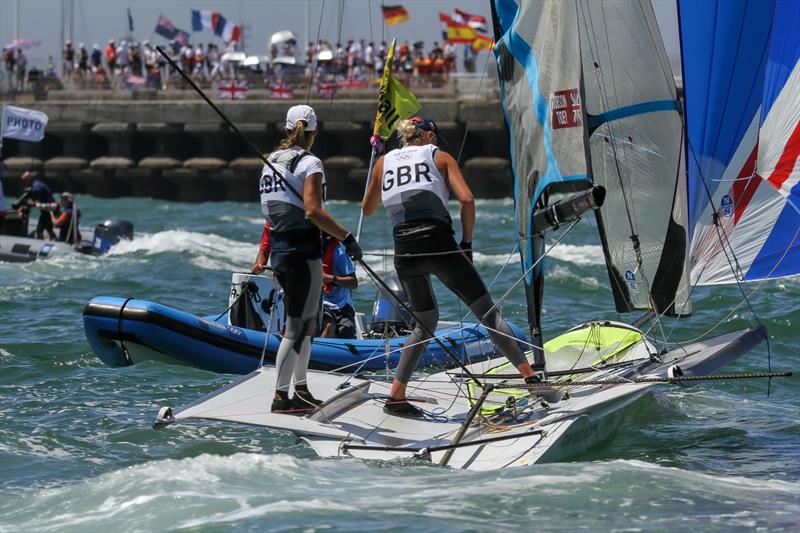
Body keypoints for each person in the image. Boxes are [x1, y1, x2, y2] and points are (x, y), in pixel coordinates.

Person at [362, 117, 539, 417]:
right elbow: (467, 199)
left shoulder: (382, 162)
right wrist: (466, 242)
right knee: (487, 314)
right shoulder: (438, 156)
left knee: (425, 321)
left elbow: (367, 209)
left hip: (404, 253)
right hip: (439, 244)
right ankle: (530, 378)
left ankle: (396, 395)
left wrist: (377, 173)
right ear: (428, 135)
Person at [260, 104, 362, 413]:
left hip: (280, 250)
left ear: (287, 129)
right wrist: (346, 237)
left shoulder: (269, 164)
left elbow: (270, 212)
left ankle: (301, 389)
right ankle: (280, 397)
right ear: (313, 133)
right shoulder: (312, 163)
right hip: (303, 253)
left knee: (306, 324)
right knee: (296, 326)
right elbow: (313, 211)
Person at [320, 233, 358, 339]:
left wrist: (332, 279)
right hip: (319, 303)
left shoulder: (339, 254)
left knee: (348, 334)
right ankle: (314, 354)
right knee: (329, 326)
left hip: (341, 305)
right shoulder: (307, 253)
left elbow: (353, 283)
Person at [14, 170, 57, 240]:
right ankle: (54, 239)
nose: (23, 182)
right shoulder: (35, 185)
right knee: (47, 228)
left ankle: (45, 243)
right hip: (46, 210)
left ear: (29, 178)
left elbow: (35, 202)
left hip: (50, 209)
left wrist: (24, 208)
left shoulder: (37, 187)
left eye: (25, 180)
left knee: (40, 230)